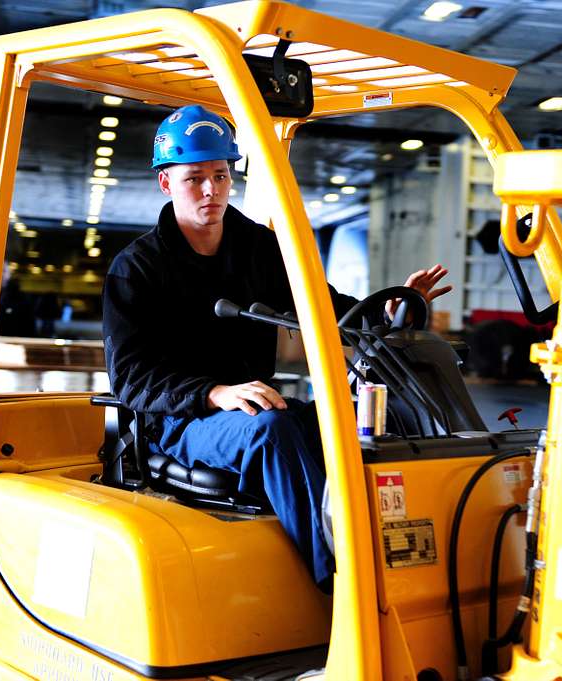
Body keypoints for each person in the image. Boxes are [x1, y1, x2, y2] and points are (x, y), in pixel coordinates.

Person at [102, 105, 450, 591]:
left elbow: (324, 304)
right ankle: (343, 585)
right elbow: (132, 378)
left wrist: (390, 310)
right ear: (166, 183)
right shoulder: (137, 268)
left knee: (353, 417)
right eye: (194, 179)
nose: (211, 190)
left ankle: (408, 560)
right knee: (272, 431)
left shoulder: (258, 248)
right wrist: (215, 392)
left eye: (220, 176)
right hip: (183, 422)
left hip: (259, 404)